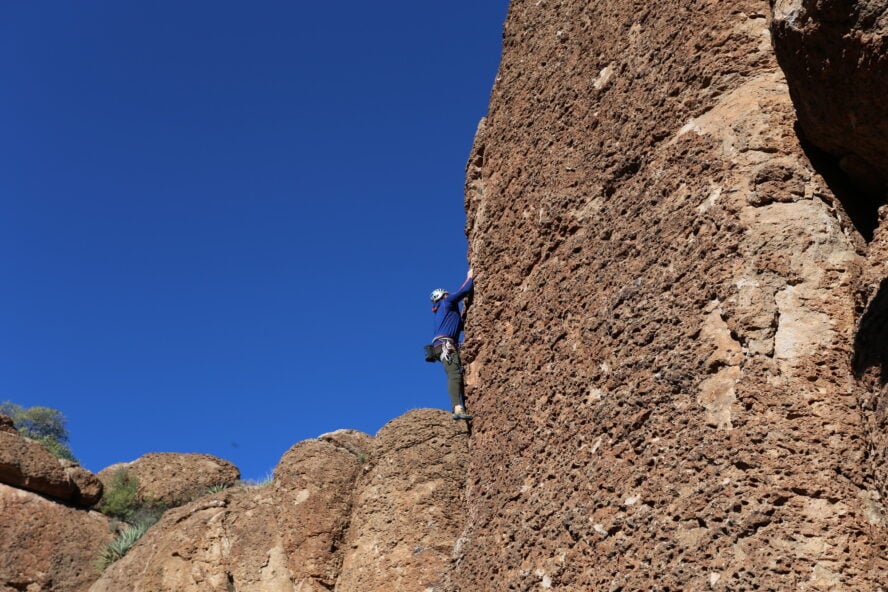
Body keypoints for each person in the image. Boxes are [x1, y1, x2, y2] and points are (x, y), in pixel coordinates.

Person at [429, 268, 474, 420]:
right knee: (454, 374)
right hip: (445, 345)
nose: (449, 296)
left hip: (441, 345)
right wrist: (470, 276)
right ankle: (457, 408)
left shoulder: (444, 313)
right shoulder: (446, 302)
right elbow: (464, 290)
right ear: (443, 296)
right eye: (447, 294)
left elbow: (459, 325)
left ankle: (458, 405)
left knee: (455, 372)